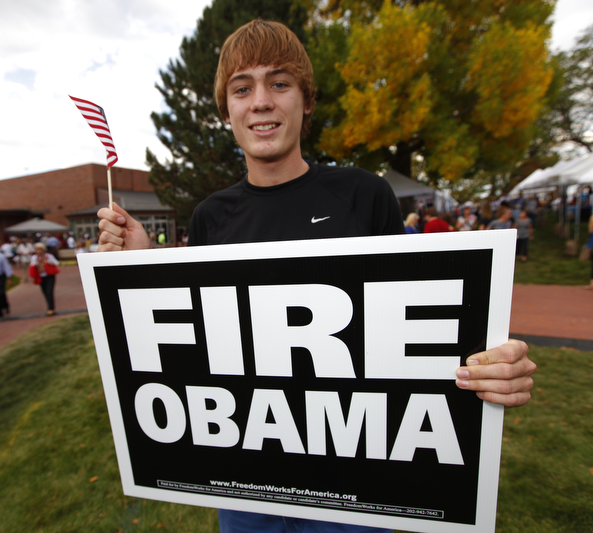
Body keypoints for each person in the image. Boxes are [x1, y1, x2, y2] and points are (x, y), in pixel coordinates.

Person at [96, 19, 536, 533]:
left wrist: (492, 364)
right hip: (246, 481)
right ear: (227, 111)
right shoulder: (210, 216)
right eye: (243, 88)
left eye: (279, 83)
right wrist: (144, 264)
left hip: (357, 485)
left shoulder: (363, 195)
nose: (261, 101)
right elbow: (199, 344)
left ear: (305, 100)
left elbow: (423, 320)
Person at [29, 242, 59, 316]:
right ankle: (49, 306)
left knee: (49, 292)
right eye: (37, 249)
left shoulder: (49, 256)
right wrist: (35, 265)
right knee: (45, 292)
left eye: (39, 249)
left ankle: (51, 308)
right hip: (41, 277)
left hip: (49, 276)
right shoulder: (34, 258)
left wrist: (48, 263)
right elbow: (31, 266)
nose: (38, 251)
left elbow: (56, 263)